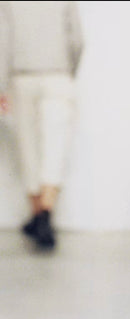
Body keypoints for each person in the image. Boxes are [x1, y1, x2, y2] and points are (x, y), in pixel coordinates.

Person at [0, 1, 83, 249]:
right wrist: (68, 71)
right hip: (58, 75)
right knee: (55, 145)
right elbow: (77, 39)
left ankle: (38, 214)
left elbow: (4, 40)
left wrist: (1, 84)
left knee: (28, 146)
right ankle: (45, 212)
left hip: (22, 76)